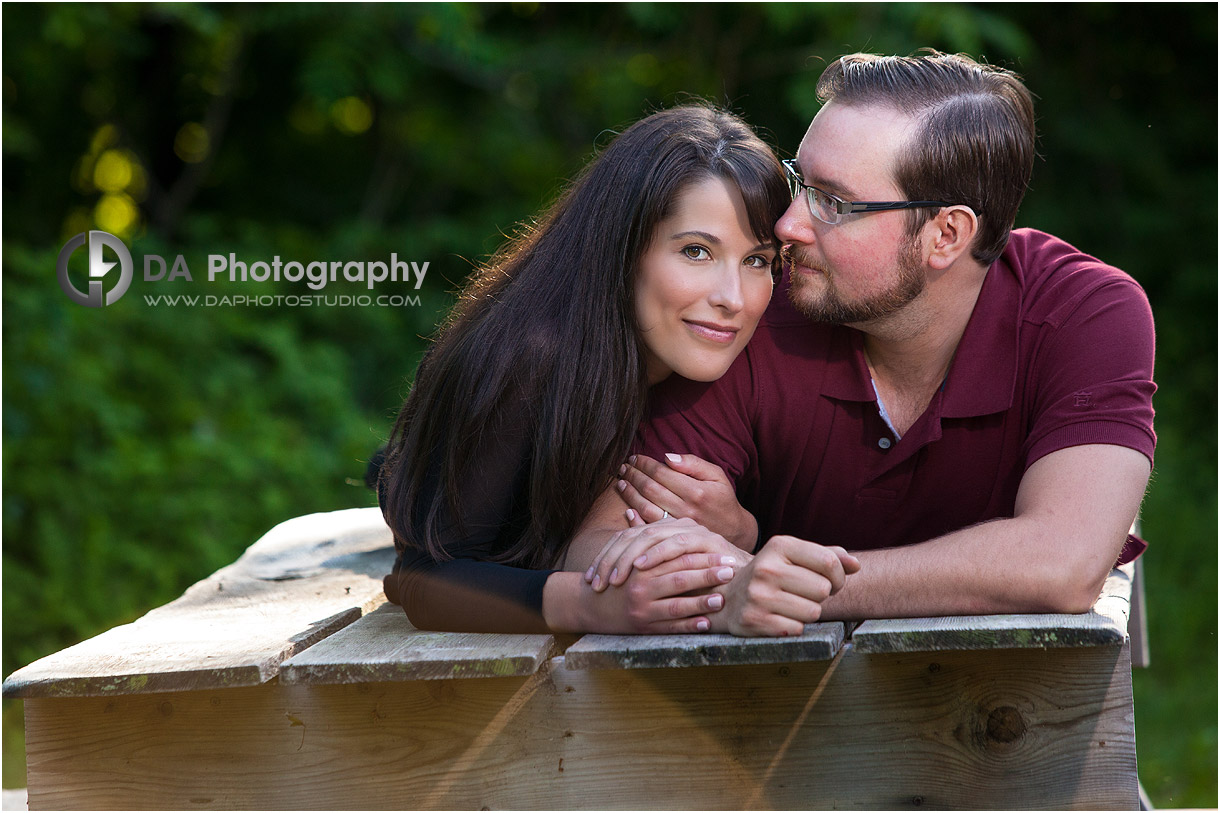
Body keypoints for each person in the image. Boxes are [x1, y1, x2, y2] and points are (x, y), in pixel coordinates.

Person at [572, 51, 1156, 636]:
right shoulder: (754, 311)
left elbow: (1064, 563)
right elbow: (595, 550)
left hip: (1012, 705)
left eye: (833, 202)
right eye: (799, 181)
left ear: (945, 235)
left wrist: (776, 581)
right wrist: (738, 563)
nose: (786, 226)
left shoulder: (1084, 313)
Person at [376, 104, 856, 635]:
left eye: (757, 260)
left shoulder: (744, 351)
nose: (733, 299)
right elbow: (419, 579)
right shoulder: (528, 361)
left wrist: (742, 533)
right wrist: (588, 605)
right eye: (696, 251)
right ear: (624, 249)